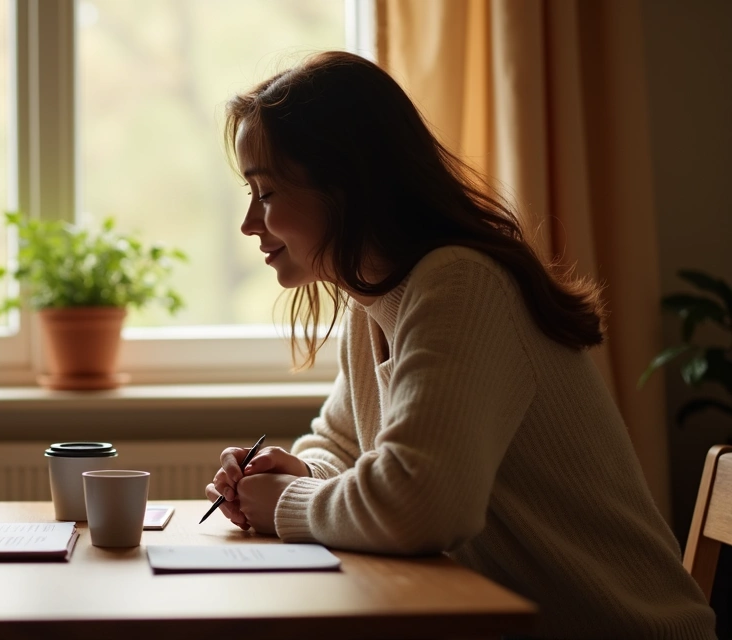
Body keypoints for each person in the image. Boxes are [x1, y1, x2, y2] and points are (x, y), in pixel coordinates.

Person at [206, 51, 716, 637]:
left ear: (345, 186)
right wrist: (295, 469)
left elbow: (421, 506)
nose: (249, 222)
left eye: (265, 193)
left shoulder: (461, 285)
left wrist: (287, 502)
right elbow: (343, 446)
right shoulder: (374, 303)